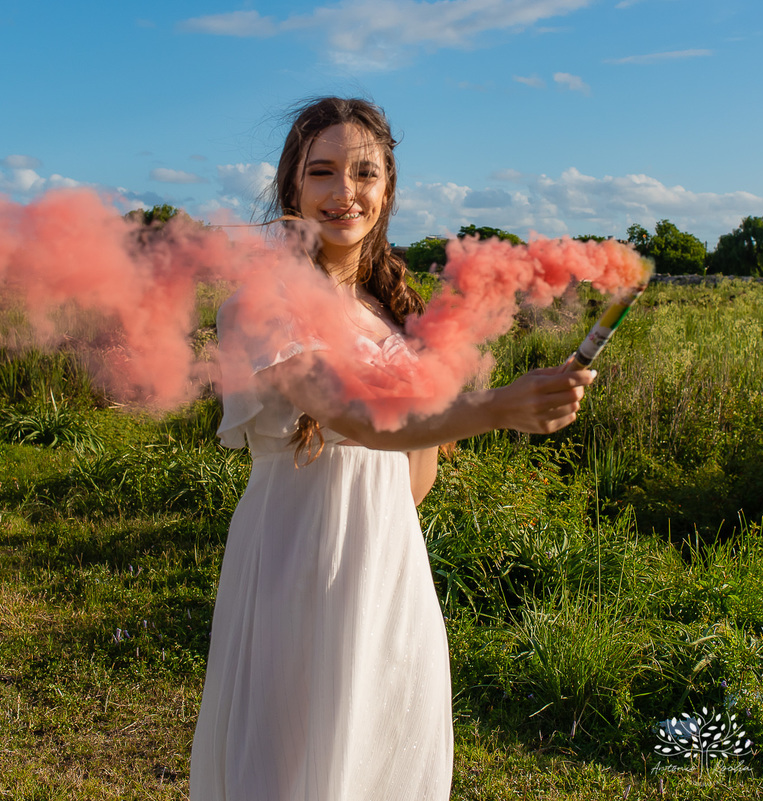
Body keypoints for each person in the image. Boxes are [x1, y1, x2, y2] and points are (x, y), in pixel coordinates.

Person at [189, 97, 596, 800]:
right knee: (288, 767)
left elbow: (412, 478)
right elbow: (349, 413)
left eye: (365, 173)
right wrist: (496, 407)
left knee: (381, 757)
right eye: (322, 173)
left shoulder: (392, 313)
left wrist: (383, 524)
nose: (345, 192)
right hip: (294, 563)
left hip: (387, 567)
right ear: (292, 187)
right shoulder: (264, 302)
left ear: (388, 189)